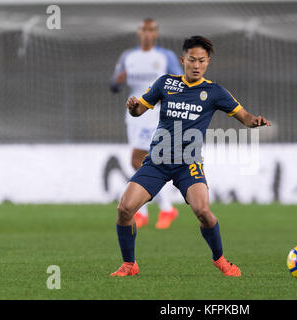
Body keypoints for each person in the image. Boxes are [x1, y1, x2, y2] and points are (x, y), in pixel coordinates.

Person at [110, 35, 271, 277]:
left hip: (188, 163)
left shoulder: (215, 92)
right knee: (124, 209)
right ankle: (129, 264)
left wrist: (254, 121)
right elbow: (139, 111)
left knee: (203, 212)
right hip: (158, 161)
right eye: (192, 60)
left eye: (202, 61)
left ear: (208, 63)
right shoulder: (165, 83)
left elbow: (245, 117)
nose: (197, 65)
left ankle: (221, 260)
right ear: (183, 60)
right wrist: (133, 107)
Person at [110, 18, 183, 229]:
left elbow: (180, 82)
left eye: (151, 30)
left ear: (156, 33)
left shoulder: (165, 57)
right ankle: (156, 209)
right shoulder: (128, 57)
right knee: (140, 161)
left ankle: (159, 209)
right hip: (134, 114)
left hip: (158, 114)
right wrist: (118, 80)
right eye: (143, 30)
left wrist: (166, 95)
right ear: (138, 32)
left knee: (143, 160)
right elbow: (114, 84)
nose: (147, 34)